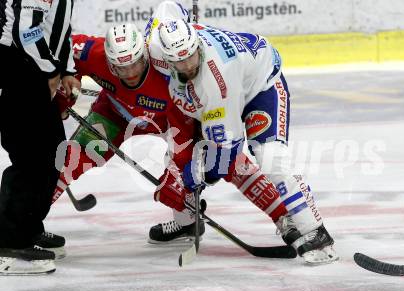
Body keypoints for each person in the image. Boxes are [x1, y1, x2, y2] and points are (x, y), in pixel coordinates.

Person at [145, 1, 338, 265]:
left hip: (260, 86)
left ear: (197, 46)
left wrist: (200, 175)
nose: (188, 66)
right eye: (180, 61)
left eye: (191, 56)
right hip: (214, 95)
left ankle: (315, 232)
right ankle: (186, 221)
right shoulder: (156, 43)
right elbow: (169, 6)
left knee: (270, 158)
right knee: (177, 156)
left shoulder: (216, 83)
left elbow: (228, 153)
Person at [51, 23, 203, 245]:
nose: (130, 74)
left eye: (135, 64)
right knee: (71, 160)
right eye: (122, 69)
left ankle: (186, 220)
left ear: (145, 55)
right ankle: (23, 222)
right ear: (110, 62)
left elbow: (184, 135)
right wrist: (63, 81)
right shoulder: (95, 53)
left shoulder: (167, 75)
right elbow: (61, 48)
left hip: (167, 122)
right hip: (114, 113)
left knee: (177, 171)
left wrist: (179, 176)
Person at [0, 0, 81, 275]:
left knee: (50, 154)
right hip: (20, 69)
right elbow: (26, 30)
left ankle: (27, 227)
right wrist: (51, 71)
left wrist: (67, 70)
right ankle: (9, 243)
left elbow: (60, 30)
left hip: (34, 69)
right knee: (30, 159)